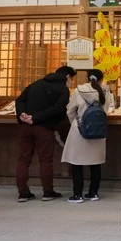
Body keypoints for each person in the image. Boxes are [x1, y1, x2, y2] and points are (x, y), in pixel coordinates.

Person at [15, 65, 76, 202]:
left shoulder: (35, 84)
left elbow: (20, 100)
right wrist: (36, 118)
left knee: (23, 160)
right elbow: (58, 109)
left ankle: (23, 193)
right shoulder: (63, 89)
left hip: (26, 127)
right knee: (46, 160)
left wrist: (22, 114)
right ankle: (48, 191)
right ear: (67, 77)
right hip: (44, 128)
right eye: (71, 79)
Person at [62, 69, 111, 203]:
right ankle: (93, 193)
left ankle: (77, 194)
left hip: (80, 130)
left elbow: (70, 110)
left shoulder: (78, 91)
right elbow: (105, 111)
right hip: (98, 131)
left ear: (88, 77)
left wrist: (76, 123)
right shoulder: (104, 92)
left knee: (77, 163)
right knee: (95, 163)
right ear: (101, 79)